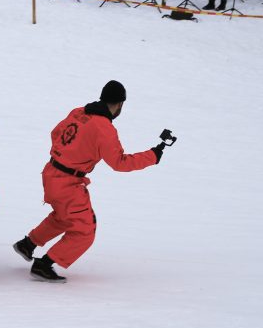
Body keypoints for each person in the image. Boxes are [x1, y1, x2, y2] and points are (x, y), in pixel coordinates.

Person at [12, 81, 165, 283]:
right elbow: (119, 163)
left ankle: (28, 244)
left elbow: (55, 133)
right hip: (68, 183)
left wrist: (66, 153)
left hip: (50, 173)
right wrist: (152, 156)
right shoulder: (105, 129)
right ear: (120, 104)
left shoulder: (78, 111)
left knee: (64, 217)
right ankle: (44, 265)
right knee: (84, 230)